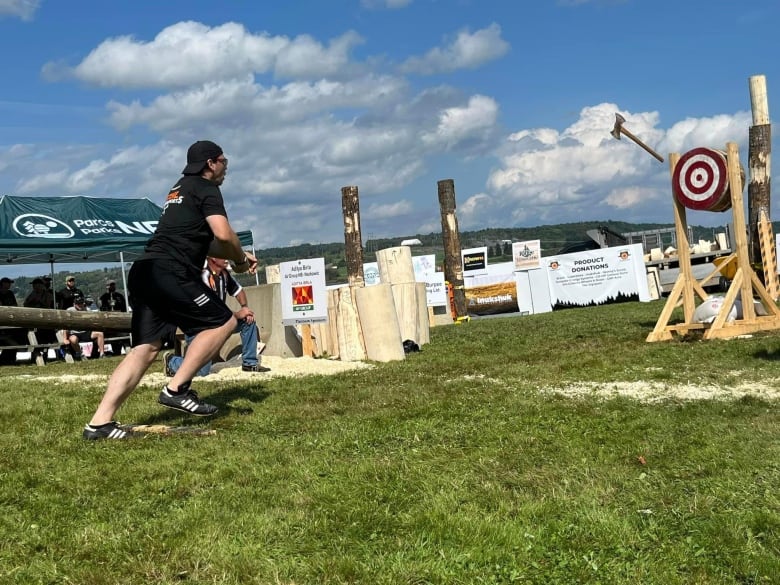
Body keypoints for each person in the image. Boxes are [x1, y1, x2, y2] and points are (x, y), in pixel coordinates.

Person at [83, 140, 257, 440]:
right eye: (224, 161)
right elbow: (223, 233)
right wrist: (240, 259)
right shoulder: (206, 188)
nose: (226, 166)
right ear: (211, 163)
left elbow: (208, 242)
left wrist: (236, 255)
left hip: (145, 270)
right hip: (170, 271)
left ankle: (99, 424)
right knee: (225, 320)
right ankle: (176, 389)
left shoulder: (179, 189)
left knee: (145, 349)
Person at [163, 256, 269, 377]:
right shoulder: (202, 277)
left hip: (217, 323)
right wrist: (239, 314)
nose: (226, 258)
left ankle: (250, 363)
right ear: (212, 259)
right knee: (202, 371)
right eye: (222, 255)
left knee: (248, 321)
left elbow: (239, 291)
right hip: (199, 328)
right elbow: (214, 310)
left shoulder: (224, 274)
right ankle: (172, 362)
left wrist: (245, 307)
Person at [63, 294, 105, 360]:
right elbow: (66, 325)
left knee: (100, 333)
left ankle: (102, 354)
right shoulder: (69, 311)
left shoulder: (87, 310)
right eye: (78, 303)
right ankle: (81, 354)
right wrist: (65, 338)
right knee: (73, 340)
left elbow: (93, 321)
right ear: (74, 304)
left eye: (81, 303)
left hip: (86, 332)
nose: (80, 305)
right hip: (75, 333)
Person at [99, 280, 129, 356]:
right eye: (110, 285)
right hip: (109, 321)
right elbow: (102, 309)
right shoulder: (103, 297)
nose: (112, 287)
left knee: (124, 334)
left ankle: (126, 348)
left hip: (120, 319)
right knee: (113, 336)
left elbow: (125, 308)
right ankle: (116, 352)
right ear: (107, 286)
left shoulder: (120, 296)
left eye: (113, 285)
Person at [24, 278, 58, 344]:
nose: (34, 287)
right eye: (34, 285)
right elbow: (25, 304)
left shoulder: (47, 294)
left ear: (41, 285)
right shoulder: (32, 294)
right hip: (34, 317)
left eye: (36, 285)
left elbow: (48, 305)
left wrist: (39, 300)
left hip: (46, 317)